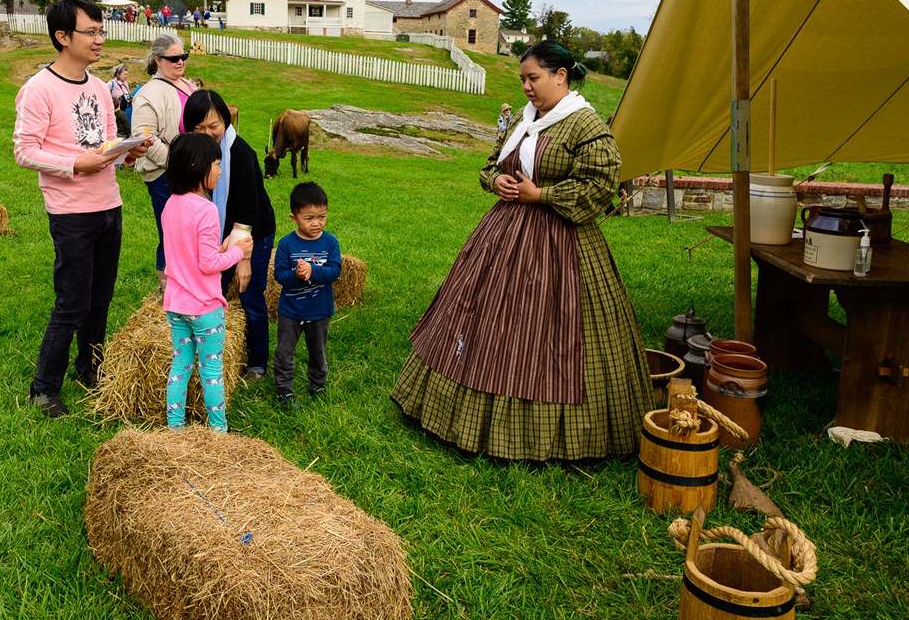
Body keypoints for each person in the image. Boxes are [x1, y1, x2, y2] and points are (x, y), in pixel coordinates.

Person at [390, 40, 650, 461]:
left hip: (562, 247)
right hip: (504, 235)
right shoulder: (526, 120)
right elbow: (491, 164)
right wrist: (496, 182)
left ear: (560, 76)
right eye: (523, 79)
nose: (527, 87)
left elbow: (601, 186)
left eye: (534, 78)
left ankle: (559, 434)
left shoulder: (584, 125)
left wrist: (541, 194)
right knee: (485, 321)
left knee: (548, 335)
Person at [12, 0, 153, 419]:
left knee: (101, 298)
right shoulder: (38, 89)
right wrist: (76, 163)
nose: (100, 39)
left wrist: (127, 151)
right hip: (70, 212)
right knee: (72, 302)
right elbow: (24, 151)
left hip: (109, 204)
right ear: (62, 36)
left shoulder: (98, 87)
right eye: (91, 31)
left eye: (101, 30)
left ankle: (90, 369)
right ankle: (44, 388)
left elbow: (106, 142)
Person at [184, 89, 277, 379]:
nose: (208, 133)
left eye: (214, 126)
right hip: (220, 232)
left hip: (253, 232)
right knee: (216, 290)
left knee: (250, 293)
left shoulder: (241, 154)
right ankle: (215, 351)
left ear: (226, 121)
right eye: (199, 128)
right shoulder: (195, 152)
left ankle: (257, 362)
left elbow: (248, 212)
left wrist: (243, 259)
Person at [161, 132, 251, 432]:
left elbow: (188, 253)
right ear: (199, 167)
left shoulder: (171, 205)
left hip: (176, 304)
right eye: (216, 163)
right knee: (211, 371)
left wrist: (222, 248)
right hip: (204, 308)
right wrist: (239, 252)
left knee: (180, 367)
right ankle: (218, 431)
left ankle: (175, 427)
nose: (221, 170)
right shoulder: (207, 210)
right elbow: (208, 264)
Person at [131, 33, 196, 294]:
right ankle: (168, 291)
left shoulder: (187, 85)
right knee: (171, 235)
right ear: (158, 60)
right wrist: (178, 165)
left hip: (192, 174)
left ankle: (188, 285)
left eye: (184, 56)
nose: (180, 62)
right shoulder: (148, 94)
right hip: (164, 176)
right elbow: (145, 138)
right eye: (174, 58)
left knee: (190, 233)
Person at [272, 182, 341, 411]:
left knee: (317, 351)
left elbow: (334, 271)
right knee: (284, 352)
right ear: (294, 218)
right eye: (309, 218)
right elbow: (279, 275)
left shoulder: (330, 242)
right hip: (290, 311)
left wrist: (313, 271)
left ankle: (318, 385)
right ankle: (284, 390)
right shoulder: (286, 244)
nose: (316, 223)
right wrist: (298, 275)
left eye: (321, 216)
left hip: (319, 311)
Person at [108, 64, 132, 138]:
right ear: (118, 74)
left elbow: (128, 93)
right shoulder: (111, 83)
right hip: (117, 110)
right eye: (124, 74)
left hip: (127, 108)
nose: (126, 76)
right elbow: (104, 93)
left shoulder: (125, 83)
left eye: (127, 74)